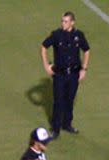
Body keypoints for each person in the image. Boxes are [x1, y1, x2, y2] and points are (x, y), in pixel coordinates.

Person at [40, 11, 90, 139]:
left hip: (73, 74)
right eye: (62, 21)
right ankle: (55, 129)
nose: (63, 24)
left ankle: (67, 124)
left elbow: (86, 50)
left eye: (66, 21)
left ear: (72, 22)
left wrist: (84, 69)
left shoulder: (78, 35)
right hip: (60, 74)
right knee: (58, 101)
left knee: (70, 100)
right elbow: (44, 47)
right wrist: (46, 65)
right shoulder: (57, 35)